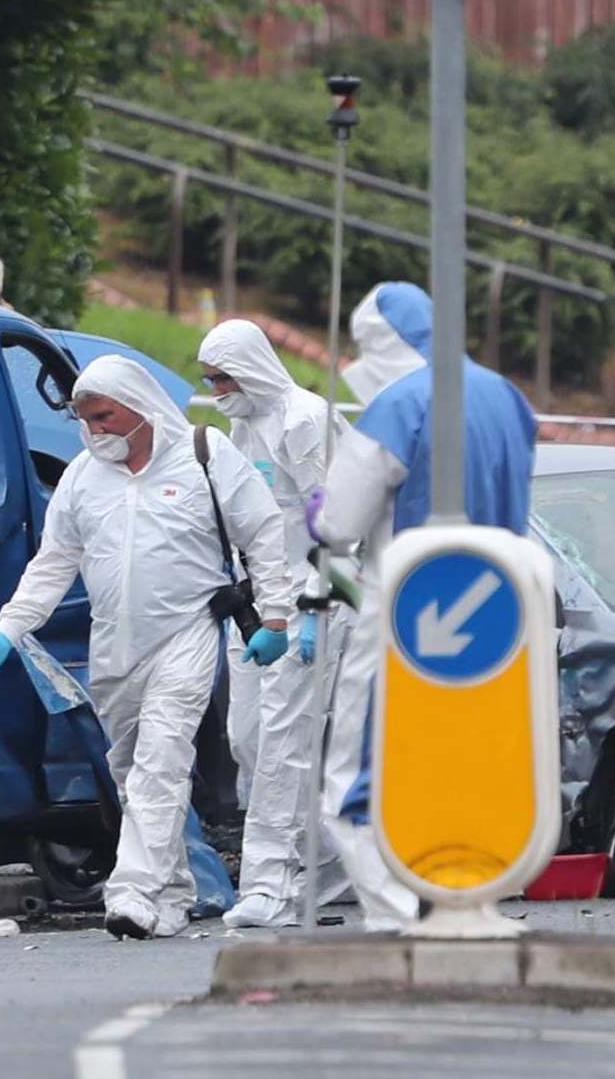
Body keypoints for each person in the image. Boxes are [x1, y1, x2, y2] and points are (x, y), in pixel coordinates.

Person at [0, 354, 295, 939]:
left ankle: (131, 892)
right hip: (113, 648)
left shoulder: (204, 457)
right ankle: (172, 895)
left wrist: (277, 615)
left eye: (105, 416)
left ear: (139, 407)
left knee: (159, 765)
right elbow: (54, 563)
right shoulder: (83, 479)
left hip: (186, 636)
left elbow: (263, 531)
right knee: (129, 773)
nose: (95, 432)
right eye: (85, 421)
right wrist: (9, 630)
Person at [308, 281, 537, 929]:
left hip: (408, 611)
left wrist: (317, 513)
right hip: (496, 608)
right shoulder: (505, 397)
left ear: (378, 342)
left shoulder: (399, 404)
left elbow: (338, 523)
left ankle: (397, 912)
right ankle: (468, 901)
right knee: (464, 770)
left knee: (357, 779)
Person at [196, 319, 351, 929]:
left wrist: (313, 606)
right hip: (261, 607)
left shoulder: (303, 421)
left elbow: (338, 523)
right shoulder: (244, 424)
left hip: (312, 603)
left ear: (251, 368)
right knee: (249, 741)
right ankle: (337, 862)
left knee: (287, 740)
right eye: (208, 380)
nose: (215, 389)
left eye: (222, 377)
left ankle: (269, 886)